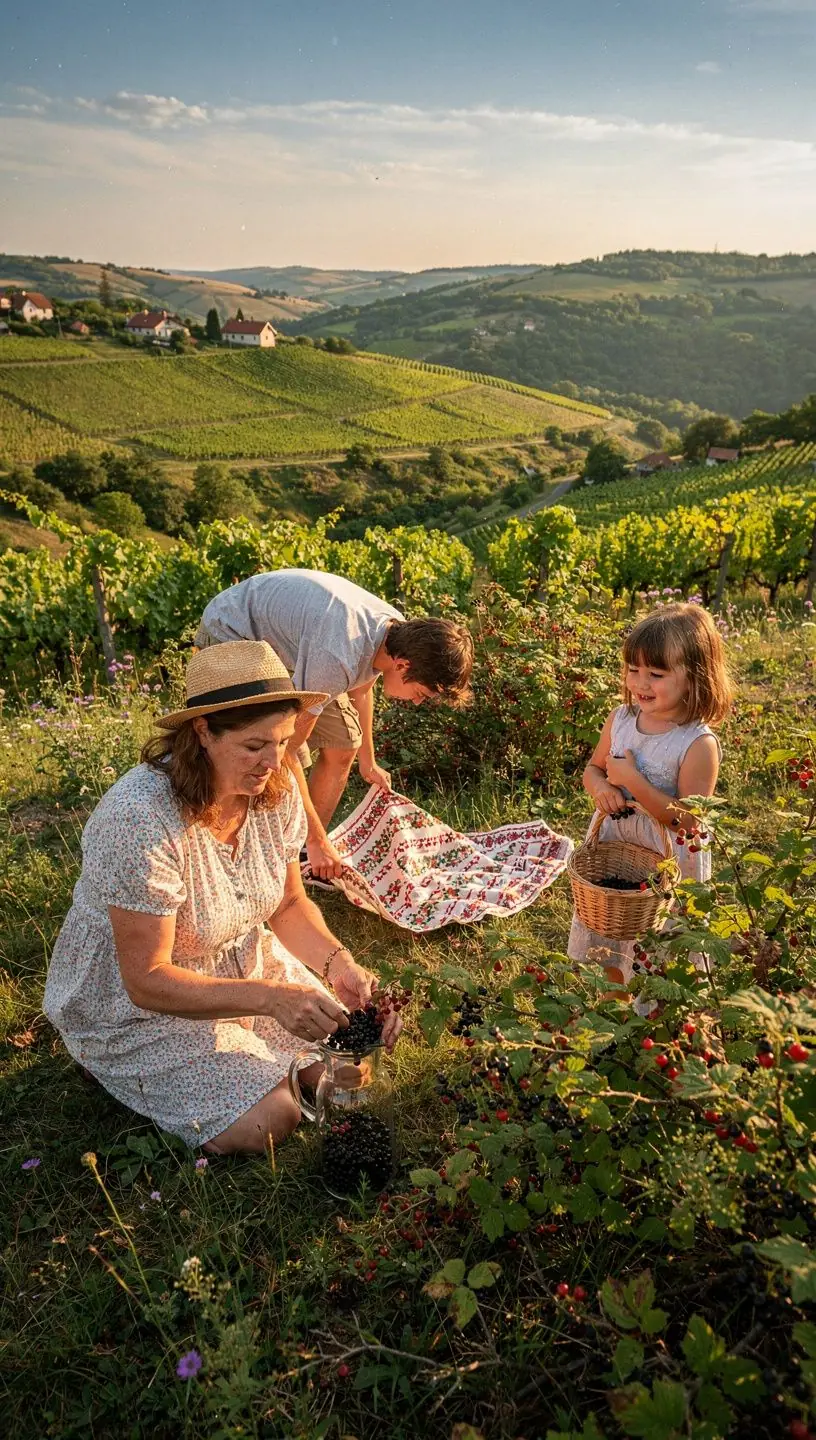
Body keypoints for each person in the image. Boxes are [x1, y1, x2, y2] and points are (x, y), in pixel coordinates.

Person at [43, 641, 401, 1155]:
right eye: (254, 746)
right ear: (203, 731)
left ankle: (261, 1053)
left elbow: (287, 906)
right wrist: (270, 999)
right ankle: (102, 1059)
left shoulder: (274, 792)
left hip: (240, 962)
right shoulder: (140, 819)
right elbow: (146, 979)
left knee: (348, 1066)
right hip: (140, 1001)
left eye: (282, 742)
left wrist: (339, 962)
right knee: (270, 1121)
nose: (271, 762)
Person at [195, 568, 474, 880]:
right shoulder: (336, 657)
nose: (419, 701)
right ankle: (264, 856)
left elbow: (363, 687)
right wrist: (319, 839)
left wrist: (368, 762)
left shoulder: (395, 631)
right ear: (403, 665)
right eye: (421, 693)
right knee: (265, 758)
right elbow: (285, 751)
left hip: (290, 651)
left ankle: (302, 854)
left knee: (345, 745)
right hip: (231, 632)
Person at [568, 603, 732, 989]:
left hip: (667, 858)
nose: (640, 683)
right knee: (612, 933)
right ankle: (612, 1006)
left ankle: (657, 1016)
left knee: (659, 942)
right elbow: (592, 769)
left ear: (694, 678)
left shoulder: (696, 743)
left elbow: (688, 820)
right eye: (633, 670)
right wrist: (603, 787)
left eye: (656, 673)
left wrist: (634, 781)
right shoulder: (621, 719)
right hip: (617, 843)